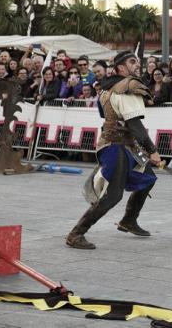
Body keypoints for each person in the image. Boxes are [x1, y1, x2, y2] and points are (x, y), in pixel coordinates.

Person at [65, 51, 162, 249]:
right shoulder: (127, 88)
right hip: (115, 146)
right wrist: (152, 150)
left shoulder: (107, 88)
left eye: (137, 61)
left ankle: (129, 220)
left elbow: (105, 113)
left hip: (124, 145)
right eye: (132, 62)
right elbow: (135, 125)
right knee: (113, 195)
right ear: (120, 68)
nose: (137, 65)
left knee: (147, 178)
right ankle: (76, 233)